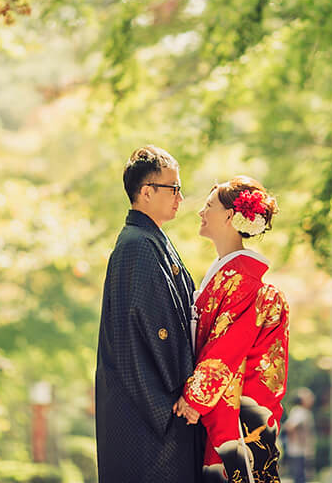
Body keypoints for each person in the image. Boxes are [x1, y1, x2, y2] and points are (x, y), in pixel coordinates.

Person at [95, 146, 203, 483]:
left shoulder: (149, 239)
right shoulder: (136, 245)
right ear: (146, 192)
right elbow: (145, 333)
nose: (180, 198)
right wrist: (172, 402)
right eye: (173, 188)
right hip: (148, 412)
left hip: (156, 406)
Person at [174, 176, 290, 483]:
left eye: (208, 205)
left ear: (229, 216)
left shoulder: (243, 281)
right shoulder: (229, 275)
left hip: (236, 408)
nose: (201, 211)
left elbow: (227, 347)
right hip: (223, 403)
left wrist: (195, 397)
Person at [282, 388, 315, 483]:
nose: (312, 399)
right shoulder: (301, 412)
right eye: (309, 397)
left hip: (300, 451)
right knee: (300, 478)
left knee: (301, 477)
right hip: (299, 451)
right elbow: (289, 427)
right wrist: (299, 440)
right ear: (302, 400)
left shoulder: (299, 411)